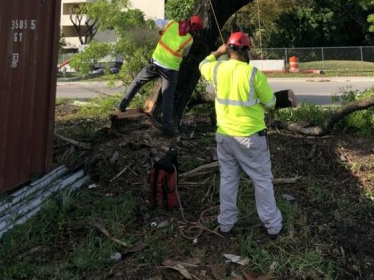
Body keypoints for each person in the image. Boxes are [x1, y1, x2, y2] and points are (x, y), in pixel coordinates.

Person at [199, 31, 283, 239]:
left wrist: (216, 53)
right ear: (247, 50)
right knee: (262, 180)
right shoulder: (253, 74)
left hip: (225, 137)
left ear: (228, 49)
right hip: (250, 138)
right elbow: (271, 103)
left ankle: (226, 224)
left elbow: (202, 65)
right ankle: (272, 226)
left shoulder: (217, 69)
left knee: (228, 179)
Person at [118, 15, 204, 136]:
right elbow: (184, 55)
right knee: (168, 98)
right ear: (195, 30)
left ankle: (121, 106)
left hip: (154, 63)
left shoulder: (172, 23)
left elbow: (157, 22)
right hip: (170, 70)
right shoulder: (189, 40)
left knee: (137, 82)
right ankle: (167, 128)